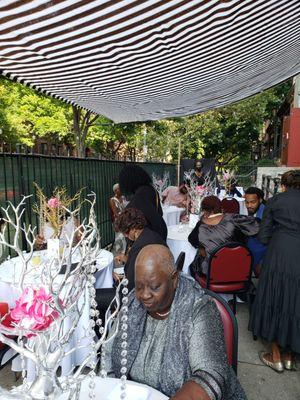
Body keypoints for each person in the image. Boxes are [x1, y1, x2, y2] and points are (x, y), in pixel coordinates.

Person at [105, 244, 247, 400]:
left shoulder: (199, 307)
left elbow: (209, 376)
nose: (144, 295)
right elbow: (108, 353)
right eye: (139, 286)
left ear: (173, 279)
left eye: (154, 287)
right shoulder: (132, 302)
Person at [250, 170, 300, 372]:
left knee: (275, 298)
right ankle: (290, 356)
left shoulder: (276, 201)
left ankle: (276, 355)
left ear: (284, 185)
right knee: (294, 301)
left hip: (279, 253)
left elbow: (263, 236)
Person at [188, 195, 259, 275]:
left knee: (193, 264)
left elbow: (192, 239)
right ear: (220, 206)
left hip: (211, 271)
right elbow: (256, 224)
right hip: (237, 268)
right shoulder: (233, 218)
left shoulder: (201, 225)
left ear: (204, 210)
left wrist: (203, 246)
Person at [114, 208, 167, 291]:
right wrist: (129, 260)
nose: (126, 236)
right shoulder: (152, 234)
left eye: (126, 232)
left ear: (134, 229)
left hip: (148, 291)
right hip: (161, 283)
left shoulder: (138, 247)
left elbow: (129, 283)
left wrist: (116, 279)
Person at [119, 165, 167, 240]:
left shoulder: (140, 195)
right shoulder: (151, 190)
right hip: (158, 233)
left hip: (148, 239)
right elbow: (159, 213)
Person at [244, 187, 266, 273]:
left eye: (253, 202)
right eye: (247, 202)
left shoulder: (265, 216)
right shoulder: (255, 211)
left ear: (260, 200)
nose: (249, 206)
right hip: (251, 254)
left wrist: (261, 263)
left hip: (260, 258)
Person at [109, 183, 126, 254]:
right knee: (119, 237)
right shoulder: (112, 200)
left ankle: (124, 252)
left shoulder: (123, 198)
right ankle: (118, 253)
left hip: (125, 220)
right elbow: (115, 213)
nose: (121, 189)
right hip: (118, 221)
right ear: (115, 191)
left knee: (124, 237)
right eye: (119, 188)